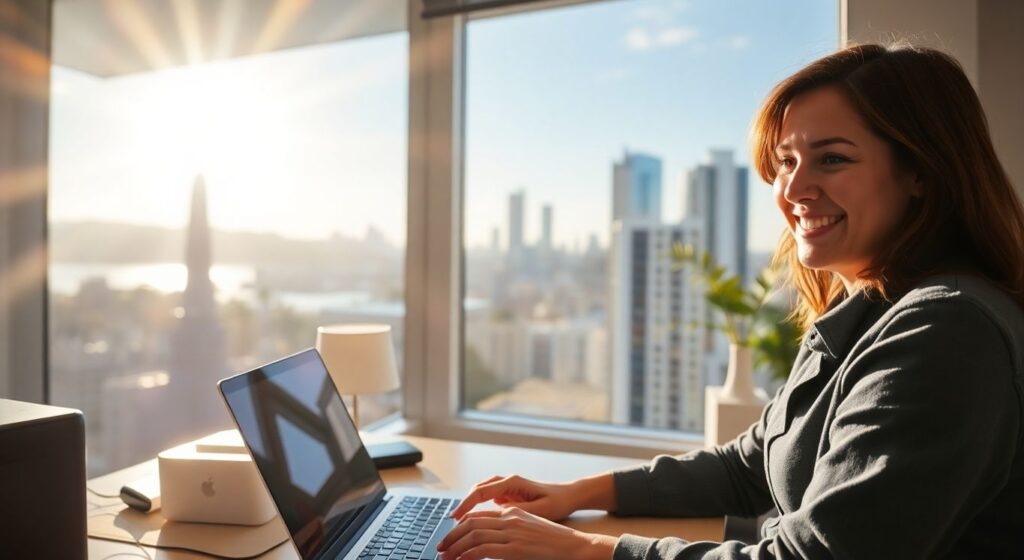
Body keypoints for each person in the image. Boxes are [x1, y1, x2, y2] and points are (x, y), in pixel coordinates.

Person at [435, 43, 1024, 559]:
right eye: (787, 161)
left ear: (920, 171)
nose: (792, 189)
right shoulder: (872, 309)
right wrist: (575, 495)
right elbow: (753, 464)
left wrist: (590, 551)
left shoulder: (945, 333)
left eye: (833, 159)